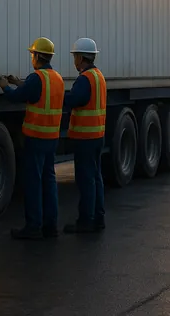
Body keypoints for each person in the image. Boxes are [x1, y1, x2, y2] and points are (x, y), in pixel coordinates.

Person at [0, 37, 64, 240]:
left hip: (35, 138)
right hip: (51, 137)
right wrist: (19, 82)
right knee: (49, 181)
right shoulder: (56, 78)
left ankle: (33, 226)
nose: (31, 58)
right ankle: (50, 226)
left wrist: (5, 86)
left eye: (32, 55)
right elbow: (35, 92)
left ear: (37, 56)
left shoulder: (37, 78)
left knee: (33, 182)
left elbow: (18, 96)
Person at [63, 38, 106, 234]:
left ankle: (86, 221)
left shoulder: (84, 79)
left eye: (75, 56)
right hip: (97, 135)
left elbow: (74, 100)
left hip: (85, 138)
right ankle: (98, 218)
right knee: (96, 178)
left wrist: (56, 95)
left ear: (81, 58)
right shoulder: (98, 76)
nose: (74, 60)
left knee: (85, 179)